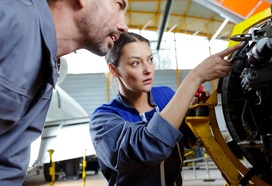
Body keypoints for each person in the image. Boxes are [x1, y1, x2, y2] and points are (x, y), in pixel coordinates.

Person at [0, 0, 128, 184]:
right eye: (119, 5)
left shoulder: (46, 73)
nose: (124, 26)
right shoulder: (10, 17)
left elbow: (6, 165)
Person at [89, 32, 242, 185]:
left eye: (150, 60)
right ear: (114, 70)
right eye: (135, 63)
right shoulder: (103, 120)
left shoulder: (167, 95)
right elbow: (147, 148)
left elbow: (186, 139)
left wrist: (194, 115)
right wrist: (194, 78)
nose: (148, 69)